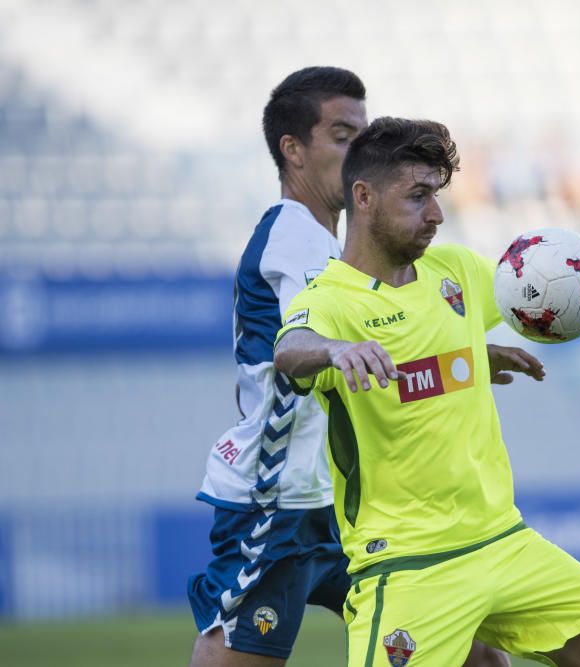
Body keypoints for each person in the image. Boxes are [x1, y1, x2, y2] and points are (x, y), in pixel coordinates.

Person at [272, 116, 580, 665]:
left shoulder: (451, 270)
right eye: (417, 196)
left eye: (436, 195)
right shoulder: (332, 300)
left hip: (504, 542)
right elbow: (291, 349)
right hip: (409, 568)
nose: (435, 214)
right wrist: (336, 350)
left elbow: (563, 287)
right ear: (363, 197)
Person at [187, 68, 508, 667]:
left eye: (362, 133)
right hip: (278, 500)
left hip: (342, 503)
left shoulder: (338, 245)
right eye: (341, 134)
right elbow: (312, 346)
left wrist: (464, 354)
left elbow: (372, 342)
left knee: (478, 656)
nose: (357, 148)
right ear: (294, 150)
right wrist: (336, 350)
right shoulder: (293, 236)